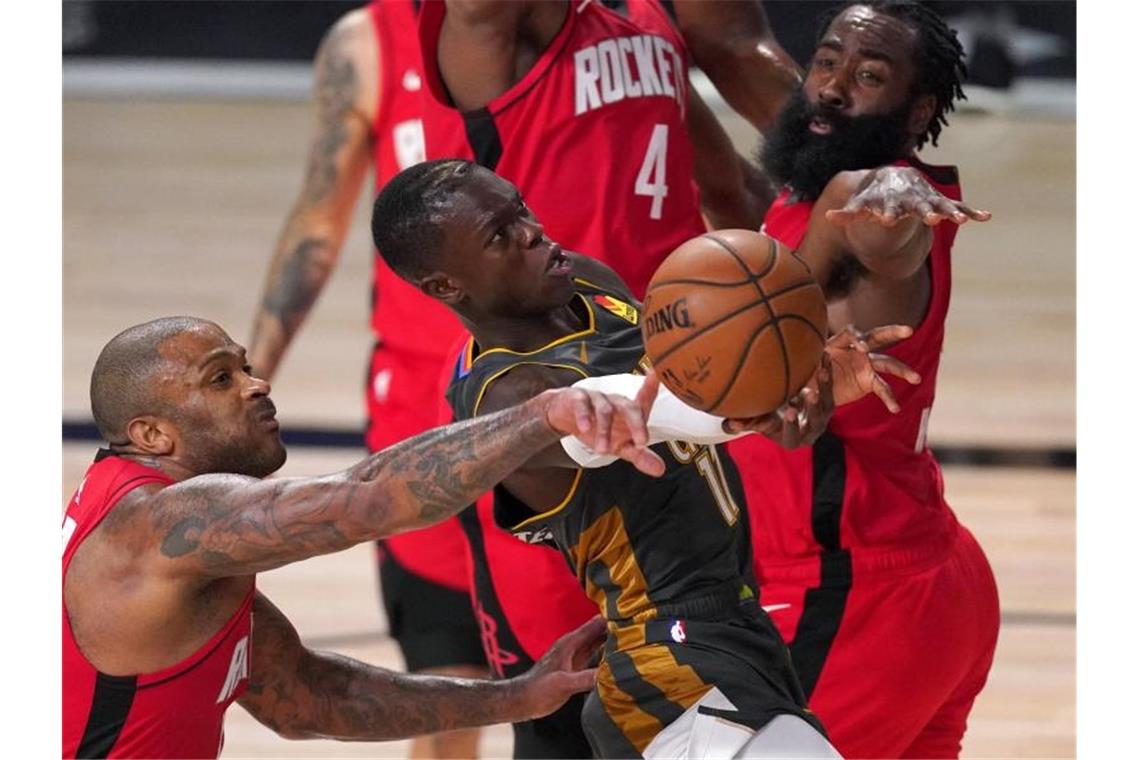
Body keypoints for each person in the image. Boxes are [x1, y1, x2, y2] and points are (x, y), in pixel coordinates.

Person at [370, 158, 940, 758]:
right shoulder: (504, 398)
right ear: (445, 286)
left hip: (737, 626)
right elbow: (638, 409)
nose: (533, 231)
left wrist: (796, 395)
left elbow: (708, 385)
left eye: (520, 209)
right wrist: (758, 404)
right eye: (499, 235)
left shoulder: (587, 285)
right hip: (666, 662)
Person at [416, 2, 802, 752]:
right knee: (560, 716)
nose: (530, 230)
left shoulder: (651, 21)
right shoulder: (498, 29)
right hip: (548, 433)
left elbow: (733, 189)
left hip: (673, 387)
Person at [62, 315, 664, 759]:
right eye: (220, 379)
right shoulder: (157, 524)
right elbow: (365, 501)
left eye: (245, 365)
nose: (257, 384)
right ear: (151, 434)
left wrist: (517, 698)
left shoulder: (176, 548)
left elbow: (306, 697)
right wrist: (541, 415)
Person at [726, 2, 999, 757]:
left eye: (870, 76)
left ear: (917, 112)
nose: (833, 87)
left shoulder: (877, 199)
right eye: (825, 62)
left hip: (846, 592)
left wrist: (881, 193)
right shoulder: (805, 189)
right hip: (921, 573)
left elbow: (886, 227)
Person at [245, 4, 488, 756]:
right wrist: (249, 381)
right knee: (449, 684)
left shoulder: (579, 35)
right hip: (425, 405)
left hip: (561, 386)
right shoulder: (367, 43)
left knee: (587, 682)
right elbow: (318, 224)